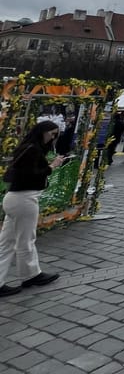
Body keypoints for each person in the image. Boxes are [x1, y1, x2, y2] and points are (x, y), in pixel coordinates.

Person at [0, 121, 67, 296]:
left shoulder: (28, 147)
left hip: (15, 198)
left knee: (7, 242)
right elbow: (32, 175)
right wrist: (52, 166)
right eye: (52, 134)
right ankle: (31, 275)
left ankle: (22, 276)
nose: (53, 138)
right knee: (26, 240)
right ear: (42, 131)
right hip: (24, 198)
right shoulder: (32, 149)